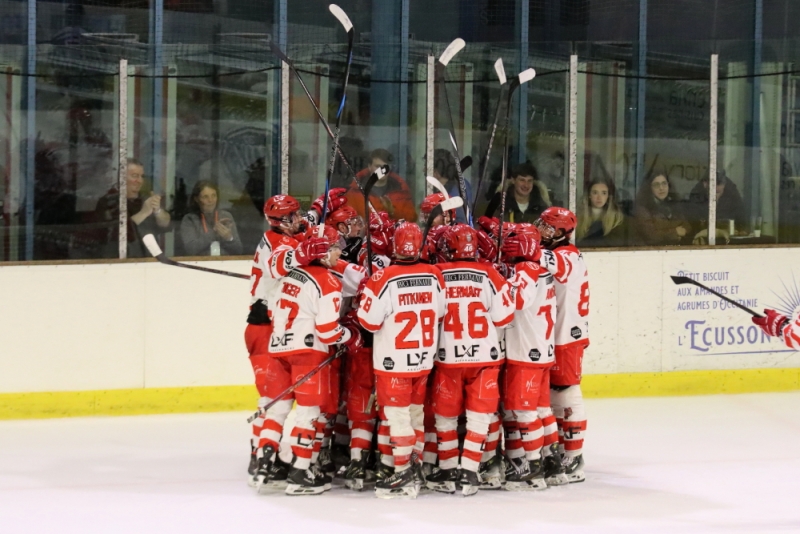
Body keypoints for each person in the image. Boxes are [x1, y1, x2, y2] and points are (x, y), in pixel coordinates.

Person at [263, 224, 362, 495]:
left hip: (279, 349)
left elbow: (271, 309)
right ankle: (300, 473)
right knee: (308, 413)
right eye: (335, 249)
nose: (339, 254)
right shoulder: (329, 281)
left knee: (278, 410)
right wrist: (349, 335)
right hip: (309, 353)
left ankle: (269, 466)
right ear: (324, 250)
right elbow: (328, 331)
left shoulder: (287, 274)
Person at [246, 194, 331, 490]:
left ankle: (267, 460)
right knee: (274, 399)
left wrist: (319, 208)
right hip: (267, 326)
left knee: (278, 399)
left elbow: (307, 235)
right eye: (292, 215)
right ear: (279, 222)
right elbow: (279, 265)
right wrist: (305, 249)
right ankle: (260, 457)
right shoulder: (278, 244)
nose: (298, 218)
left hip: (277, 324)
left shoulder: (284, 235)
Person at [357, 222, 446, 499]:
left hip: (392, 362)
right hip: (423, 360)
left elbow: (368, 322)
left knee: (396, 418)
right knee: (415, 414)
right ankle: (415, 466)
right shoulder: (434, 274)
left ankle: (402, 472)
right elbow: (441, 313)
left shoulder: (382, 277)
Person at [426, 224, 514, 496]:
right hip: (485, 358)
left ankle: (449, 469)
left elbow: (432, 316)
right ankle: (470, 472)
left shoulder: (437, 273)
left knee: (445, 419)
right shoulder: (489, 274)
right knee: (479, 419)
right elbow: (505, 318)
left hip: (448, 357)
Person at [500, 224, 564, 490]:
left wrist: (498, 281)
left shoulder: (525, 270)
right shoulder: (542, 269)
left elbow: (517, 300)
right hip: (541, 350)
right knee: (541, 410)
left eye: (512, 240)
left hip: (525, 353)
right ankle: (553, 461)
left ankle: (533, 467)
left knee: (524, 412)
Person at [535, 207, 589, 484]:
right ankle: (560, 451)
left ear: (560, 232)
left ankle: (575, 456)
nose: (541, 230)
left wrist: (514, 239)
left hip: (567, 337)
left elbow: (542, 257)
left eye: (547, 226)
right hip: (555, 335)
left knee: (567, 394)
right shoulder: (559, 253)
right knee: (553, 398)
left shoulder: (567, 255)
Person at [94, 158, 171, 258]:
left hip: (148, 260)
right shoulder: (109, 201)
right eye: (135, 176)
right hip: (117, 262)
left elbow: (166, 223)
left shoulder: (145, 199)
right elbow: (116, 233)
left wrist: (157, 210)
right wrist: (143, 213)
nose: (139, 181)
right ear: (122, 178)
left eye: (142, 176)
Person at [345, 148, 417, 222]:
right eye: (378, 166)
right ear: (369, 167)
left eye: (386, 167)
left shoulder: (401, 191)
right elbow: (347, 222)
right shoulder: (354, 193)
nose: (382, 170)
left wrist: (392, 211)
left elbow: (411, 220)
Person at [179, 180, 242, 256]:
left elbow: (239, 251)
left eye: (213, 196)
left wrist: (229, 238)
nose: (211, 200)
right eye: (205, 197)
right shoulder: (189, 219)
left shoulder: (226, 216)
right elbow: (190, 249)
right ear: (196, 199)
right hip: (199, 265)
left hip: (225, 264)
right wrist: (213, 232)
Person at [686, 171, 747, 244]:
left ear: (724, 185)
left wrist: (741, 230)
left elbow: (743, 222)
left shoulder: (733, 197)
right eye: (714, 184)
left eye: (720, 184)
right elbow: (692, 228)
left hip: (730, 244)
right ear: (705, 184)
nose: (717, 188)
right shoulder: (696, 198)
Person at [632, 173, 690, 246]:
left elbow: (687, 226)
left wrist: (666, 233)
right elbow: (652, 236)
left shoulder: (673, 204)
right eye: (656, 185)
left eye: (664, 183)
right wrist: (675, 232)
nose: (661, 188)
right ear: (649, 188)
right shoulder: (642, 208)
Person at [484, 162, 551, 224]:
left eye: (529, 181)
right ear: (513, 180)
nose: (526, 185)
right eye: (522, 180)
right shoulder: (499, 205)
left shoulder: (543, 208)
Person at [575, 177, 627, 247]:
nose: (599, 197)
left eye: (604, 193)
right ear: (589, 195)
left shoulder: (617, 219)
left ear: (608, 196)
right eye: (595, 193)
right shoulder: (578, 217)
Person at [432, 148, 473, 224]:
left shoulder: (451, 195)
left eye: (426, 166)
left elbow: (460, 221)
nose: (424, 170)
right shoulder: (464, 183)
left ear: (435, 172)